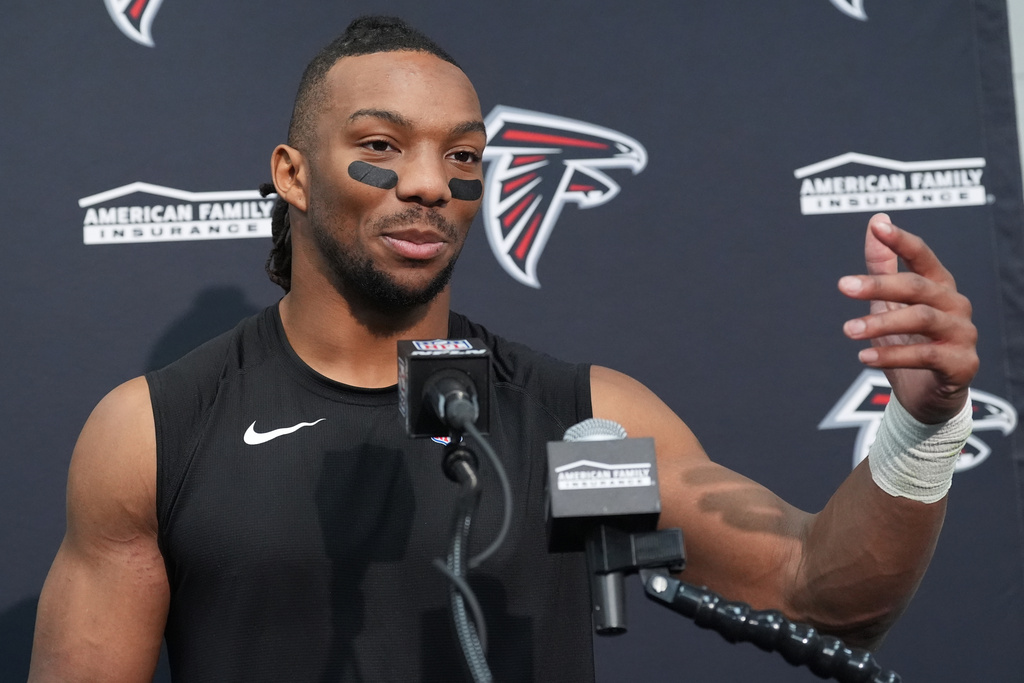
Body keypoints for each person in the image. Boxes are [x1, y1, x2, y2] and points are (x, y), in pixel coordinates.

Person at [28, 15, 978, 683]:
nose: (429, 184)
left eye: (463, 156)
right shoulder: (154, 432)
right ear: (294, 175)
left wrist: (924, 423)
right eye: (381, 146)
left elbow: (824, 595)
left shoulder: (584, 423)